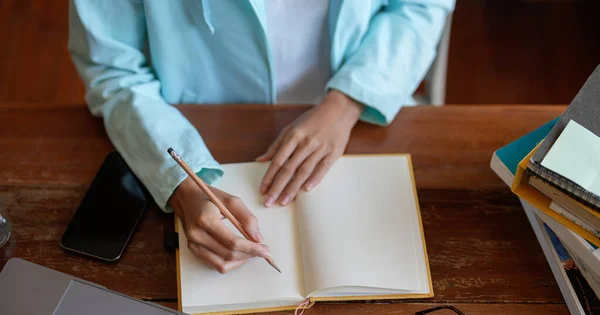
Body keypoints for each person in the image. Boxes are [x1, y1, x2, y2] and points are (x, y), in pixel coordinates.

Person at [69, 0, 455, 273]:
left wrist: (347, 102)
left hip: (364, 99)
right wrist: (182, 186)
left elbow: (419, 7)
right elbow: (113, 71)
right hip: (186, 125)